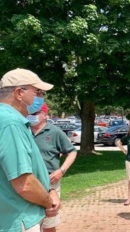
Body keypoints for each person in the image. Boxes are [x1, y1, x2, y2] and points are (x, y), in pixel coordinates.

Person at [0, 68, 60, 232]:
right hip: (16, 219)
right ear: (19, 93)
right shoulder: (11, 122)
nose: (41, 97)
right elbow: (24, 184)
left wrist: (49, 189)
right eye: (38, 92)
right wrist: (49, 201)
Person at [30, 103, 77, 232]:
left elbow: (72, 152)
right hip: (28, 182)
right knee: (30, 222)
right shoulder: (24, 131)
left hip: (49, 183)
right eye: (30, 113)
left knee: (48, 223)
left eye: (35, 113)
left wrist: (61, 170)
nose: (31, 116)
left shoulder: (55, 132)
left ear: (45, 115)